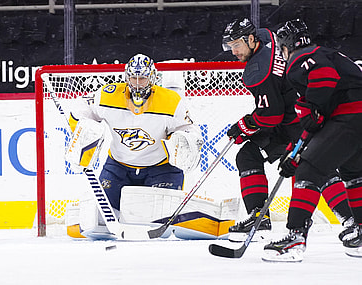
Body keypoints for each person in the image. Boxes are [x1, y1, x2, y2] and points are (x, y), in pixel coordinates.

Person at [221, 18, 353, 243]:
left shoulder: (258, 71)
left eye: (236, 45)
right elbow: (273, 108)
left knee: (317, 168)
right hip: (289, 120)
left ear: (251, 40)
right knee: (248, 155)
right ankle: (258, 216)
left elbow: (271, 115)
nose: (233, 51)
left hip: (300, 122)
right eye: (230, 46)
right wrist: (251, 126)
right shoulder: (265, 39)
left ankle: (351, 219)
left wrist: (245, 125)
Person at [263, 19, 362, 262]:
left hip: (349, 118)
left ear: (285, 46)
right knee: (353, 174)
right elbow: (318, 121)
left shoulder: (300, 57)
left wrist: (309, 105)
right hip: (355, 119)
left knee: (308, 170)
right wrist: (297, 147)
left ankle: (295, 237)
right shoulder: (327, 52)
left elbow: (325, 79)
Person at [68, 53, 202, 215]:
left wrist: (183, 140)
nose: (137, 84)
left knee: (161, 218)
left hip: (162, 169)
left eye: (143, 78)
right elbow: (81, 109)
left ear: (152, 77)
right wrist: (84, 129)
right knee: (103, 216)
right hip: (118, 167)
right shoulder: (108, 95)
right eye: (133, 78)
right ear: (127, 77)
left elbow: (189, 129)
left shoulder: (171, 101)